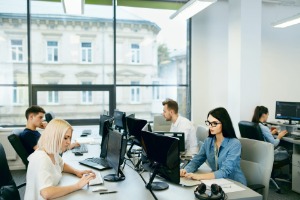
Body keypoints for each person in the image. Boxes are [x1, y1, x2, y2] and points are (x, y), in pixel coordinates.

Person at [24, 118, 96, 200]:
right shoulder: (41, 158)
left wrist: (77, 172)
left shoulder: (52, 152)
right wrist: (77, 186)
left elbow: (61, 165)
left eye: (69, 138)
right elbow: (46, 193)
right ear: (54, 136)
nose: (69, 142)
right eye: (65, 138)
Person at [180, 107, 247, 185]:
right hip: (218, 182)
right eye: (209, 123)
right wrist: (186, 170)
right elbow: (197, 160)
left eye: (215, 123)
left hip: (235, 184)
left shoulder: (235, 144)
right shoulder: (208, 141)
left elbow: (225, 171)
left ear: (224, 123)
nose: (210, 126)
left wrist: (199, 176)